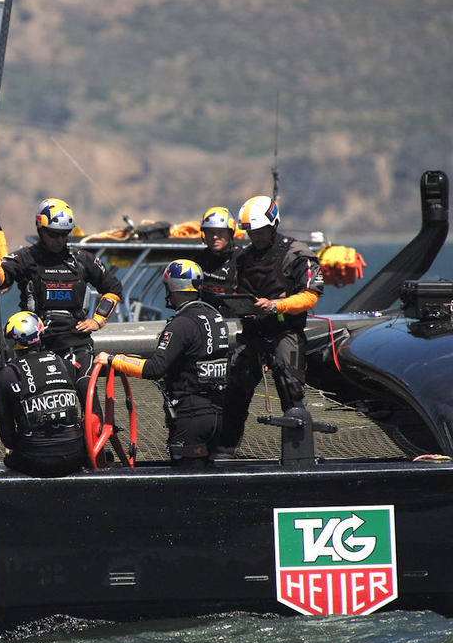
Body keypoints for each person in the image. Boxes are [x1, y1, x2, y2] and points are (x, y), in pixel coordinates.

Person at [0, 197, 123, 411]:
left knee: (87, 391)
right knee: (41, 400)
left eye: (64, 234)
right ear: (40, 229)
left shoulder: (82, 259)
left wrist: (97, 320)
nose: (59, 240)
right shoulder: (25, 258)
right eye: (53, 234)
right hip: (38, 346)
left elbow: (113, 288)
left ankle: (96, 443)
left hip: (76, 342)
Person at [216, 195, 325, 458]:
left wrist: (276, 305)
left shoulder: (297, 254)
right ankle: (224, 453)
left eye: (259, 230)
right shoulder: (241, 258)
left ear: (273, 224)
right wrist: (229, 307)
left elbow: (311, 295)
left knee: (292, 393)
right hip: (252, 333)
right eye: (250, 231)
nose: (254, 236)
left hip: (285, 331)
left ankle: (300, 454)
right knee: (234, 393)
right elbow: (232, 291)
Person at [99, 260, 230, 468]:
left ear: (171, 288)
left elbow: (154, 369)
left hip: (191, 416)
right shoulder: (216, 318)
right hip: (220, 415)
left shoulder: (180, 324)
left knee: (186, 484)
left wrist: (112, 360)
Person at [0, 311, 87, 477]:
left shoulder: (4, 377)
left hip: (35, 460)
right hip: (76, 454)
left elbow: (8, 439)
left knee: (10, 459)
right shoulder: (66, 365)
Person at [194, 206, 244, 310]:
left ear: (230, 233)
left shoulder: (242, 258)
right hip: (205, 315)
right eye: (210, 232)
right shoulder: (199, 259)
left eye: (220, 232)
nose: (215, 237)